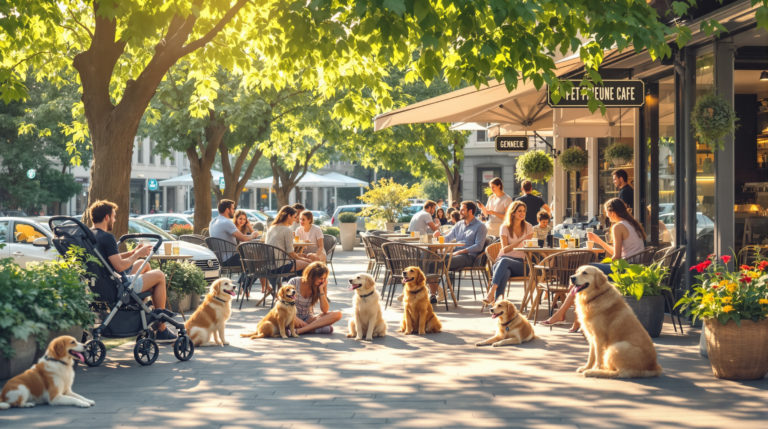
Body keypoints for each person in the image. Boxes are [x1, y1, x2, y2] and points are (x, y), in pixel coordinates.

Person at [540, 198, 646, 332]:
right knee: (581, 277)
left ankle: (563, 315)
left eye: (606, 212)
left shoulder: (618, 226)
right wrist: (598, 241)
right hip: (633, 268)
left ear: (612, 212)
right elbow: (619, 253)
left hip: (624, 271)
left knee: (582, 274)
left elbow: (617, 257)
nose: (606, 216)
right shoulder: (632, 225)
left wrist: (600, 267)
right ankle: (572, 319)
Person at [89, 200, 176, 341]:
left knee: (143, 264)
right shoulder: (107, 237)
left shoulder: (91, 236)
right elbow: (120, 266)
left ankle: (143, 310)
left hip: (104, 282)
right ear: (106, 217)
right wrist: (138, 254)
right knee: (159, 275)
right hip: (118, 286)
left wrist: (132, 253)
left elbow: (110, 258)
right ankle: (161, 329)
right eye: (114, 216)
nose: (115, 220)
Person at [434, 201, 488, 304]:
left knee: (441, 261)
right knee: (431, 258)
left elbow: (479, 246)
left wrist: (462, 251)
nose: (460, 212)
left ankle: (439, 289)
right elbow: (448, 238)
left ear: (470, 211)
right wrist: (438, 237)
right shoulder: (459, 224)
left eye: (462, 210)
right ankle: (435, 290)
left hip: (469, 257)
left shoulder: (480, 226)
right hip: (455, 253)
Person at [482, 201, 534, 305]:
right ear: (513, 213)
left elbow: (529, 248)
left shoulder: (529, 227)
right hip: (502, 263)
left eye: (524, 211)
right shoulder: (504, 227)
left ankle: (491, 292)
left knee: (504, 262)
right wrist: (521, 240)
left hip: (521, 264)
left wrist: (523, 240)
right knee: (505, 271)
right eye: (519, 211)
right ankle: (498, 303)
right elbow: (505, 249)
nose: (522, 213)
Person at [286, 262, 341, 334]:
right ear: (311, 276)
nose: (323, 281)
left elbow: (325, 310)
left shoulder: (320, 286)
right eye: (321, 278)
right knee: (287, 316)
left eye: (325, 278)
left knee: (337, 314)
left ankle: (300, 330)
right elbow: (285, 306)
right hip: (293, 317)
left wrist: (321, 289)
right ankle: (312, 328)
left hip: (308, 318)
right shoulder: (294, 282)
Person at [210, 199, 259, 267]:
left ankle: (245, 277)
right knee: (259, 260)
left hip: (218, 259)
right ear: (227, 210)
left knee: (253, 257)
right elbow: (243, 238)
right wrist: (253, 235)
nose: (234, 211)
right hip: (231, 259)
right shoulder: (226, 222)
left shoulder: (213, 221)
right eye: (233, 209)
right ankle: (246, 278)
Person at [265, 206, 312, 273]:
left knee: (301, 259)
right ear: (289, 216)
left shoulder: (271, 228)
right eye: (294, 217)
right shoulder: (287, 230)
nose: (295, 220)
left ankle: (291, 281)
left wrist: (301, 258)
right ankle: (297, 282)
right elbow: (291, 254)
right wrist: (305, 260)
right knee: (310, 265)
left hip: (268, 265)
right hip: (280, 265)